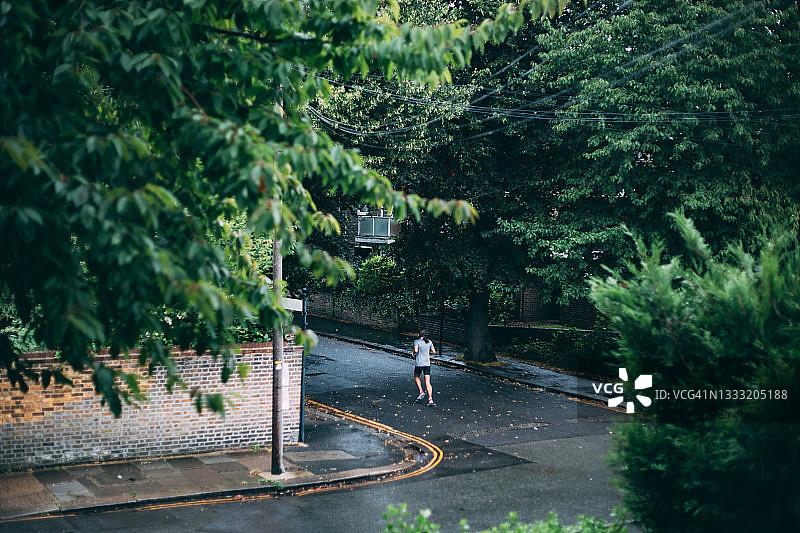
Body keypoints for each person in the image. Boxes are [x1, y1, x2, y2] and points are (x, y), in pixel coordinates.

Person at [413, 329, 436, 406]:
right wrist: (427, 352)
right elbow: (433, 351)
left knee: (416, 376)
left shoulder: (417, 341)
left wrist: (413, 353)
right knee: (428, 383)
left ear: (419, 334)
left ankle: (421, 391)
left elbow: (416, 351)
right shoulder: (429, 342)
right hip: (427, 364)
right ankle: (430, 399)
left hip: (419, 363)